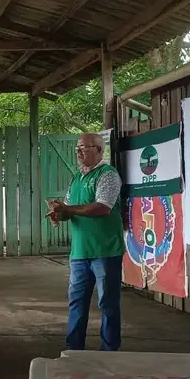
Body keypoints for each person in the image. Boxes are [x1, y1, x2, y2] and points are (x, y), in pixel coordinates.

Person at [45, 133, 124, 352]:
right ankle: (73, 350)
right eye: (77, 148)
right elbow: (70, 210)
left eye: (84, 147)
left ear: (99, 150)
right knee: (77, 303)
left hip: (105, 250)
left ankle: (110, 353)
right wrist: (58, 215)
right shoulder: (77, 178)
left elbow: (103, 207)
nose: (78, 152)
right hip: (80, 252)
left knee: (107, 304)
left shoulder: (108, 175)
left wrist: (67, 209)